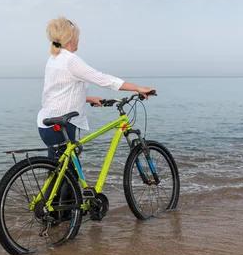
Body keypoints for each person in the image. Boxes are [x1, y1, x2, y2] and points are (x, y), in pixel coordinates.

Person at [37, 16, 155, 158]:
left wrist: (88, 99)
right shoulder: (70, 60)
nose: (79, 40)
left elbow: (58, 91)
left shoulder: (54, 58)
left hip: (46, 124)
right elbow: (102, 79)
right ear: (71, 38)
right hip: (62, 127)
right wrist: (138, 88)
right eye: (77, 36)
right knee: (71, 173)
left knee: (58, 172)